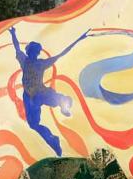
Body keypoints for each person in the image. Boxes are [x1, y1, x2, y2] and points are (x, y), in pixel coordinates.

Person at [9, 26, 92, 156]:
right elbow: (17, 47)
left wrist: (79, 39)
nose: (33, 54)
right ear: (29, 51)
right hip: (29, 97)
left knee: (58, 98)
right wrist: (13, 34)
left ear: (36, 53)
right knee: (33, 124)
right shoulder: (24, 60)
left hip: (40, 93)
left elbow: (61, 54)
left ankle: (64, 104)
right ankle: (53, 141)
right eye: (31, 51)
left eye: (35, 52)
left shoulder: (41, 63)